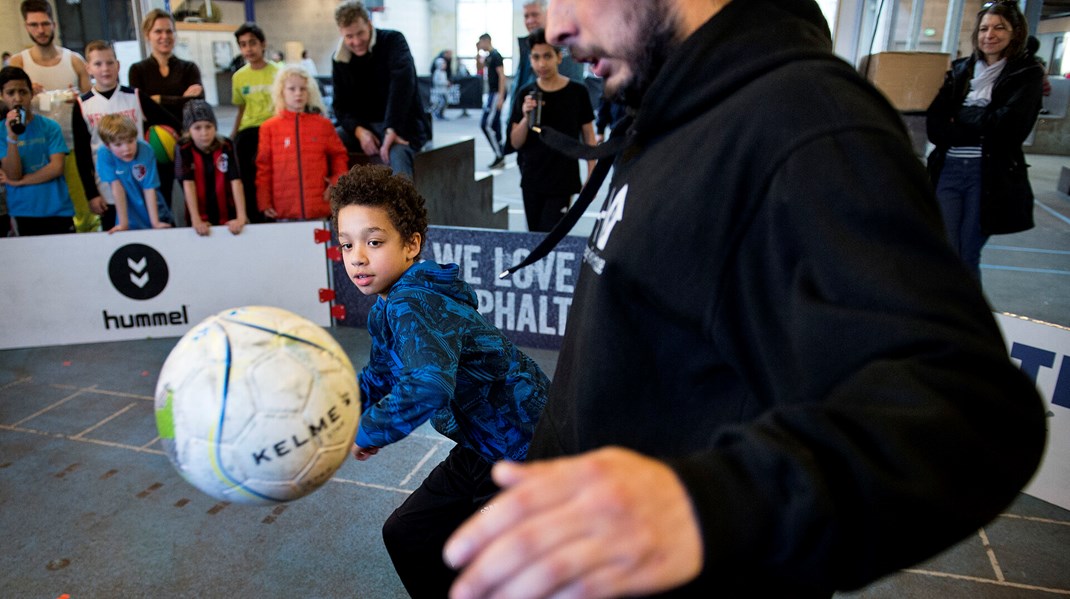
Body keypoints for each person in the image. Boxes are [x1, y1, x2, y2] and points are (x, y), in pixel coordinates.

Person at [442, 0, 1047, 597]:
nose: (556, 26)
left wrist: (702, 508)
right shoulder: (673, 107)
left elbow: (965, 410)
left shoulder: (804, 122)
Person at [329, 163, 550, 598]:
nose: (357, 256)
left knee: (490, 561)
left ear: (411, 244)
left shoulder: (413, 301)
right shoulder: (386, 307)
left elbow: (429, 384)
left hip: (532, 451)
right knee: (407, 534)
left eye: (374, 242)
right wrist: (334, 409)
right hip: (482, 448)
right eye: (346, 244)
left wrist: (370, 429)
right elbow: (380, 376)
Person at [926, 1, 1044, 280]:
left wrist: (962, 116)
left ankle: (967, 322)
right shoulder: (960, 70)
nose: (989, 35)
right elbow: (936, 126)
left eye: (998, 28)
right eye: (983, 29)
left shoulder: (1026, 73)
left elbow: (1009, 128)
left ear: (1015, 32)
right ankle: (951, 317)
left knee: (967, 254)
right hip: (949, 170)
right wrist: (983, 119)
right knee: (947, 251)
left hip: (990, 175)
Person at [73, 40, 180, 232]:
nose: (105, 69)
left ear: (118, 65)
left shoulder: (135, 96)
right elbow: (82, 155)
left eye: (110, 62)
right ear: (88, 68)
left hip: (142, 186)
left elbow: (172, 124)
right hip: (107, 189)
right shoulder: (82, 104)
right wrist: (91, 194)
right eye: (98, 64)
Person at [11, 0, 93, 232]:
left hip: (74, 146)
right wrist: (25, 93)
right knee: (43, 216)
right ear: (26, 26)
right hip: (36, 149)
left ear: (54, 24)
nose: (40, 30)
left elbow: (93, 100)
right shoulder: (19, 62)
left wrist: (79, 97)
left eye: (45, 24)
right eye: (34, 25)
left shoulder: (74, 60)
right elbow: (5, 102)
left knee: (84, 210)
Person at [331, 0, 431, 179]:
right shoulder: (339, 59)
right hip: (364, 127)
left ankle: (402, 206)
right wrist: (359, 131)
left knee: (397, 157)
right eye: (349, 36)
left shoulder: (393, 40)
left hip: (400, 123)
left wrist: (392, 128)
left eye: (360, 33)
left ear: (369, 24)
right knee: (326, 141)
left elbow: (402, 86)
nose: (356, 41)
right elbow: (340, 106)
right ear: (341, 33)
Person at [510, 28, 596, 232]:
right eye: (536, 57)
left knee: (552, 236)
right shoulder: (526, 93)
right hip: (531, 178)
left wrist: (592, 174)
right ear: (530, 59)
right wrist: (525, 117)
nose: (542, 64)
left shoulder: (577, 92)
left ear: (559, 57)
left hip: (562, 180)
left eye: (547, 56)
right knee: (534, 237)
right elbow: (515, 142)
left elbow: (589, 136)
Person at [128, 8, 204, 213]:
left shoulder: (189, 68)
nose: (165, 37)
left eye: (169, 31)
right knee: (161, 203)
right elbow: (142, 108)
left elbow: (196, 106)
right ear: (147, 35)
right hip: (155, 145)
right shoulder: (138, 70)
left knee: (196, 200)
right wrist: (181, 99)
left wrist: (160, 99)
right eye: (158, 32)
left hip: (187, 140)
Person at [255, 65, 348, 221]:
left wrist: (336, 183)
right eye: (292, 89)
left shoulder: (323, 125)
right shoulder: (269, 128)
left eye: (303, 89)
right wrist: (264, 200)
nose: (298, 93)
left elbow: (339, 156)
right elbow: (264, 167)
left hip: (319, 207)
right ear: (281, 92)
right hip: (283, 209)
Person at [0, 66, 74, 236]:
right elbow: (13, 174)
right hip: (24, 211)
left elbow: (56, 168)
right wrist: (12, 137)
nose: (18, 98)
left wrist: (21, 182)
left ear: (31, 94)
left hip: (57, 209)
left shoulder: (50, 127)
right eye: (11, 93)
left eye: (23, 92)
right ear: (2, 96)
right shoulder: (1, 132)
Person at [505, 0, 584, 156]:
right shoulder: (527, 47)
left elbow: (572, 94)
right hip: (526, 136)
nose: (530, 20)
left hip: (555, 141)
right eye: (526, 16)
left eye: (535, 15)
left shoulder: (565, 45)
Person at [230, 22, 281, 224]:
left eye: (252, 43)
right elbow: (241, 109)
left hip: (274, 129)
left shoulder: (278, 72)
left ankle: (274, 211)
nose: (248, 48)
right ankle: (251, 215)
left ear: (263, 44)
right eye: (243, 44)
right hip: (249, 131)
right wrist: (233, 135)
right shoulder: (238, 77)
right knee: (246, 174)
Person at [176, 100, 248, 236]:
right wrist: (196, 220)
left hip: (228, 214)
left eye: (208, 126)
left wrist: (241, 217)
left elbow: (236, 181)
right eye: (197, 128)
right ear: (188, 130)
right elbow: (188, 184)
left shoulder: (226, 145)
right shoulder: (183, 148)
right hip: (199, 214)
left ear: (215, 127)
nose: (204, 133)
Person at [95, 113, 173, 232]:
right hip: (128, 213)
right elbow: (117, 188)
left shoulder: (146, 150)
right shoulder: (104, 154)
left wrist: (155, 222)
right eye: (118, 144)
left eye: (130, 141)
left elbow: (149, 187)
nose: (126, 148)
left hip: (153, 209)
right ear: (108, 146)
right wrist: (123, 224)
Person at [477, 34, 506, 169]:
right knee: (495, 124)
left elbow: (502, 75)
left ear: (486, 41)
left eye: (480, 42)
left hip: (495, 94)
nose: (480, 44)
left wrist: (500, 96)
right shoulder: (488, 56)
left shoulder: (496, 55)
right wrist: (477, 52)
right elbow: (479, 68)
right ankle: (500, 153)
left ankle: (499, 154)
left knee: (486, 124)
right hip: (491, 94)